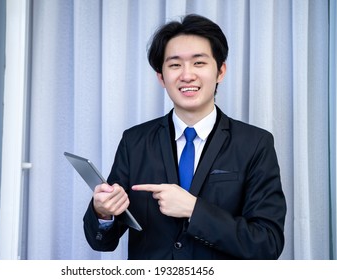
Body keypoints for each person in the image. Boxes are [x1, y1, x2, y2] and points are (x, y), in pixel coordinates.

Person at [83, 14, 287, 260]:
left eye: (199, 63)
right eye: (175, 64)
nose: (187, 75)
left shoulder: (255, 144)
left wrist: (194, 209)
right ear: (161, 77)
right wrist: (103, 213)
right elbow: (104, 242)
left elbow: (267, 243)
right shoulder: (134, 141)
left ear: (220, 70)